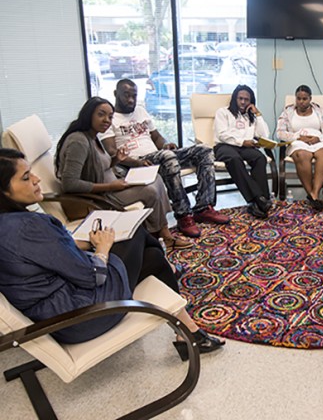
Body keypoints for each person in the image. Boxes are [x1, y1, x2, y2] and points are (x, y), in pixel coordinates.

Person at [0, 148, 224, 359]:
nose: (37, 180)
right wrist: (102, 248)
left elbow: (41, 255)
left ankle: (188, 332)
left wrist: (81, 244)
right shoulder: (29, 227)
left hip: (57, 315)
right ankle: (176, 289)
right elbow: (91, 276)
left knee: (152, 258)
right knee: (134, 234)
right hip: (81, 316)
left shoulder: (9, 226)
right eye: (26, 177)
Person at [55, 97, 192, 251]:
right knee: (150, 192)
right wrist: (111, 186)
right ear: (88, 114)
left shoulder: (93, 137)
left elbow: (100, 167)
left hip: (111, 187)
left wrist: (115, 160)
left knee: (156, 178)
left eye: (110, 116)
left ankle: (163, 233)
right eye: (101, 114)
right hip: (98, 197)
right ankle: (156, 240)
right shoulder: (78, 141)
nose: (106, 120)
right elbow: (70, 183)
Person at [100, 79, 230, 238]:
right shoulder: (109, 119)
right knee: (167, 157)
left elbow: (156, 137)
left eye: (134, 96)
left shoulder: (140, 111)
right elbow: (113, 153)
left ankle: (203, 208)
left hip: (159, 156)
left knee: (204, 151)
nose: (131, 100)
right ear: (115, 94)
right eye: (126, 95)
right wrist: (136, 161)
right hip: (135, 164)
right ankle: (183, 215)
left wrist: (166, 144)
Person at [214, 85, 272, 218]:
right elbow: (222, 134)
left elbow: (264, 135)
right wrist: (242, 142)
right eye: (240, 98)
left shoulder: (250, 116)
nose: (243, 102)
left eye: (246, 99)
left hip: (245, 147)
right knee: (234, 159)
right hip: (224, 146)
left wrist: (257, 114)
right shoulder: (223, 112)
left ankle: (258, 206)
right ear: (235, 98)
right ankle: (260, 198)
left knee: (260, 158)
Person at [276, 84, 323, 211]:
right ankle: (312, 194)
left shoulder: (321, 111)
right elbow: (279, 133)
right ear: (295, 99)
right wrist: (297, 137)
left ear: (310, 99)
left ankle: (314, 193)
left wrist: (319, 139)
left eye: (305, 99)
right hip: (298, 142)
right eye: (299, 98)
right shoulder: (288, 112)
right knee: (302, 155)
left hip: (317, 140)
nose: (301, 102)